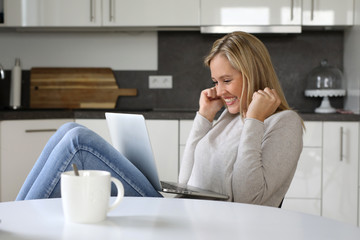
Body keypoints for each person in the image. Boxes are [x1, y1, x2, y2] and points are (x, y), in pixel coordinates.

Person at [16, 31, 303, 207]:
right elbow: (186, 182)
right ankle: (13, 219)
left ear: (252, 73)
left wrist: (253, 120)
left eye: (227, 80)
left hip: (212, 224)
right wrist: (203, 118)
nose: (219, 90)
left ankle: (12, 224)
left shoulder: (282, 123)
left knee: (78, 141)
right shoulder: (228, 118)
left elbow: (247, 200)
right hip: (184, 211)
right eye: (215, 81)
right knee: (68, 129)